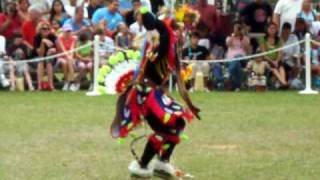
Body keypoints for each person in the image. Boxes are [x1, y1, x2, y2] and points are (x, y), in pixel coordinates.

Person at [111, 7, 200, 179]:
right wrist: (149, 14)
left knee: (178, 123)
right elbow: (155, 24)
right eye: (177, 29)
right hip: (145, 95)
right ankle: (142, 165)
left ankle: (162, 163)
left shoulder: (168, 47)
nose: (180, 34)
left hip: (154, 93)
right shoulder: (163, 42)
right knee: (162, 129)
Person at [259, 22, 287, 87]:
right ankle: (284, 83)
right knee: (273, 68)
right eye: (270, 28)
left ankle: (283, 82)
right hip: (267, 60)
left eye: (274, 28)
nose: (272, 30)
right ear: (267, 29)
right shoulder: (262, 39)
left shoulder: (279, 40)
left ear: (276, 30)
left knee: (281, 67)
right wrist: (272, 61)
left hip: (277, 59)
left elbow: (280, 53)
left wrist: (277, 60)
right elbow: (264, 54)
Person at [225, 21, 251, 91]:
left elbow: (248, 51)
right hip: (230, 60)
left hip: (242, 59)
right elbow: (228, 44)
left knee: (238, 57)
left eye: (239, 29)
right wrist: (234, 35)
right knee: (237, 64)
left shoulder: (245, 38)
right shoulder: (229, 37)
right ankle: (238, 86)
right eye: (236, 28)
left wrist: (243, 37)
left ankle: (229, 76)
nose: (237, 30)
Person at [34, 22, 57, 90]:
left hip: (50, 57)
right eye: (44, 28)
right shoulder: (37, 37)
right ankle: (39, 86)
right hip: (38, 58)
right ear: (40, 30)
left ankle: (51, 85)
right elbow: (40, 54)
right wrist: (43, 41)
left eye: (47, 29)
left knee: (48, 60)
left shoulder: (52, 36)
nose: (46, 30)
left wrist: (52, 50)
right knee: (41, 61)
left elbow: (55, 49)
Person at [56, 23, 77, 91]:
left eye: (69, 31)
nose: (68, 33)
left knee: (68, 61)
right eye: (67, 31)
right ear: (64, 31)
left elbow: (72, 48)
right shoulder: (60, 37)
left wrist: (70, 57)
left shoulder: (74, 38)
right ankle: (67, 82)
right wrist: (68, 56)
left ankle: (71, 82)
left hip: (70, 57)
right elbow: (63, 49)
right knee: (65, 62)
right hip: (61, 56)